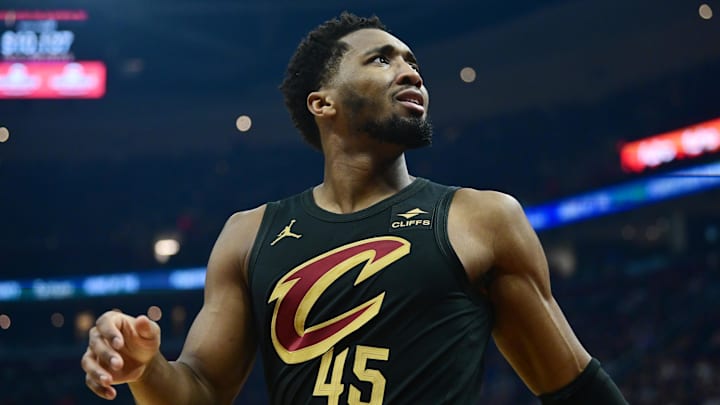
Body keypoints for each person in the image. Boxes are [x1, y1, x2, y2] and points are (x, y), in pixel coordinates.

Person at [81, 12, 628, 404]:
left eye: (413, 61)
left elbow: (574, 386)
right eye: (382, 59)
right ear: (323, 103)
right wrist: (145, 369)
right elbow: (198, 390)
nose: (411, 72)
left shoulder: (483, 219)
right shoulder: (249, 235)